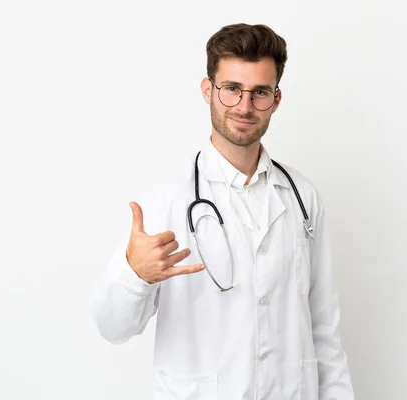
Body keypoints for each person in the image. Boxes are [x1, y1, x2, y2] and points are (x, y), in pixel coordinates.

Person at [90, 23, 354, 400]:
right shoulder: (166, 201)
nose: (245, 106)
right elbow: (111, 328)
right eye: (231, 89)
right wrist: (137, 276)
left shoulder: (302, 198)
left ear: (276, 99)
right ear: (207, 90)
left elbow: (325, 332)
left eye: (259, 92)